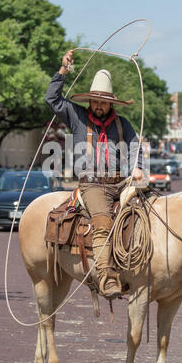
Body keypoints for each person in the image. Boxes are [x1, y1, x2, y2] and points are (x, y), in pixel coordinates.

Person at [45, 50, 144, 299]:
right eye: (95, 101)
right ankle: (106, 278)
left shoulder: (123, 124)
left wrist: (137, 168)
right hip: (92, 185)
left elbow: (135, 148)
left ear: (111, 103)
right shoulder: (76, 116)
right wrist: (63, 70)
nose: (99, 106)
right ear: (90, 101)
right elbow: (52, 99)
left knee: (145, 214)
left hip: (120, 183)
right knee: (102, 223)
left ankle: (142, 267)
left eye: (103, 102)